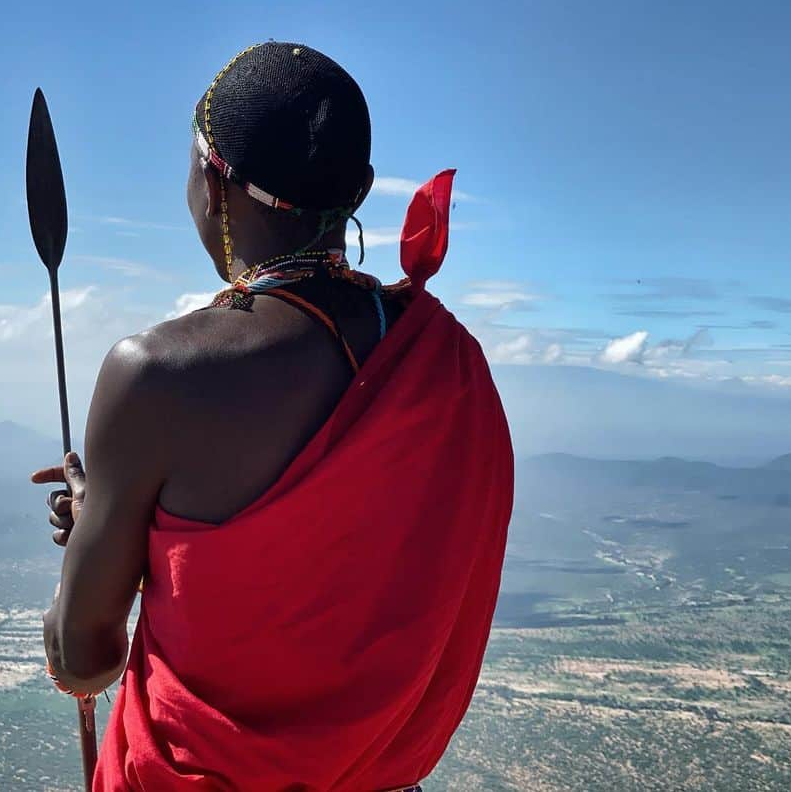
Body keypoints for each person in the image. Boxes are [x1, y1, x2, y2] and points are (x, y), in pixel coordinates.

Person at [32, 42, 514, 791]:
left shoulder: (157, 376)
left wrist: (96, 544)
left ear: (213, 184)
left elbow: (81, 659)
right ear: (357, 189)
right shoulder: (450, 363)